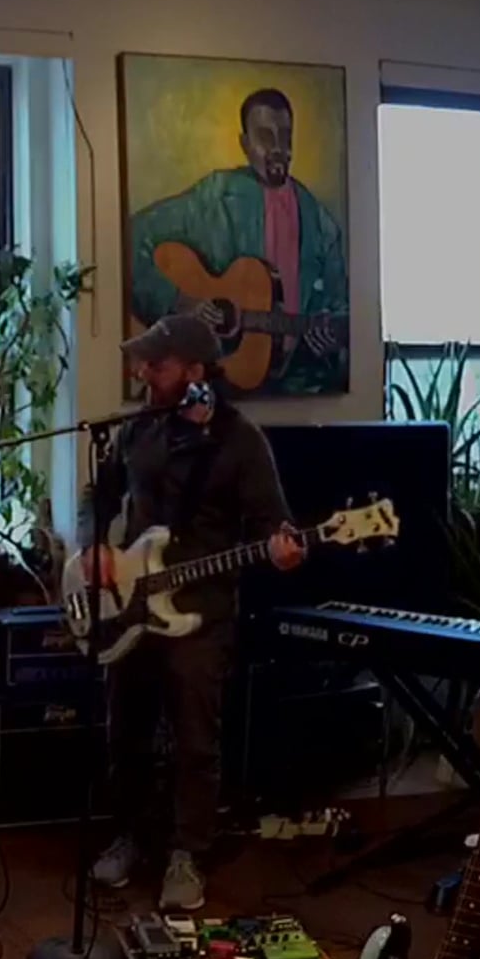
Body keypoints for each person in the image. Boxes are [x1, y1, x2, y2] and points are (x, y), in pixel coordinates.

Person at [79, 314, 306, 912]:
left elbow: (273, 525)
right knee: (125, 729)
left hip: (200, 613)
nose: (142, 373)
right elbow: (99, 496)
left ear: (195, 371)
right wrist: (93, 545)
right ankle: (131, 834)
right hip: (132, 606)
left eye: (156, 365)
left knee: (195, 740)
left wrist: (284, 549)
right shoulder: (138, 430)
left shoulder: (240, 441)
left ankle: (187, 853)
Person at [127, 88, 350, 396]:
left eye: (285, 136)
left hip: (298, 382)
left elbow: (345, 309)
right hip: (218, 381)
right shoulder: (216, 197)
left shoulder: (320, 223)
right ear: (245, 144)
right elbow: (132, 236)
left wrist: (337, 330)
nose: (277, 148)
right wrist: (180, 301)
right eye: (265, 136)